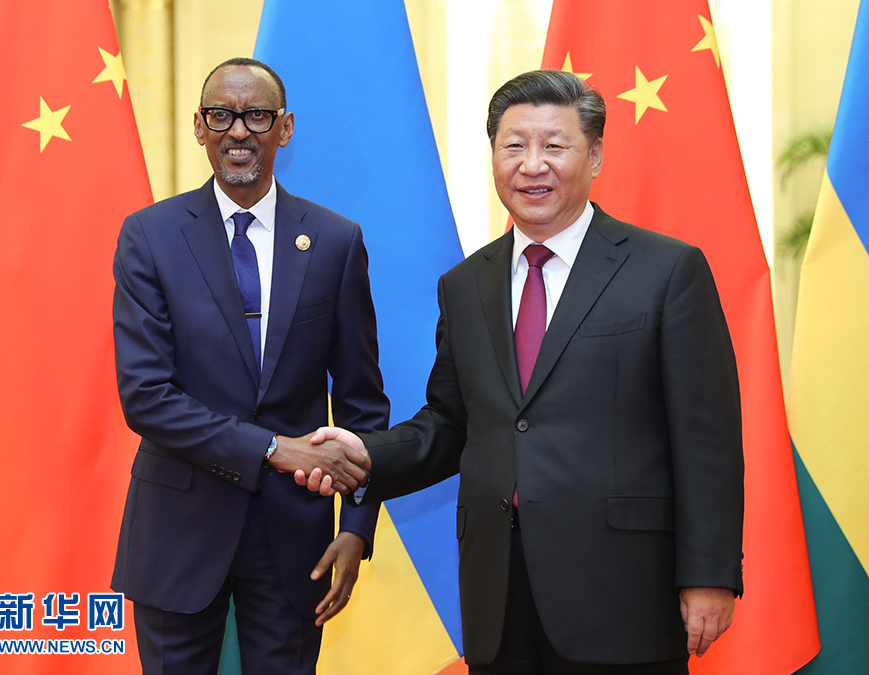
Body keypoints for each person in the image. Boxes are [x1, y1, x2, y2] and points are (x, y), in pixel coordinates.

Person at [304, 70, 744, 674]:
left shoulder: (667, 271)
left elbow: (707, 439)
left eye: (554, 145)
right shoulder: (466, 284)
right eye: (514, 146)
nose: (532, 165)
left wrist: (710, 574)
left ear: (595, 156)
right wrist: (363, 455)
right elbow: (452, 424)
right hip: (498, 593)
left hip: (622, 592)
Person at [110, 57, 387, 674]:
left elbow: (363, 404)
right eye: (221, 116)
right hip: (178, 531)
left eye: (257, 115)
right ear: (199, 127)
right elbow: (147, 396)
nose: (239, 131)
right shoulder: (150, 236)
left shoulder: (335, 241)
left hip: (295, 538)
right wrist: (272, 449)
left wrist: (357, 525)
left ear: (284, 128)